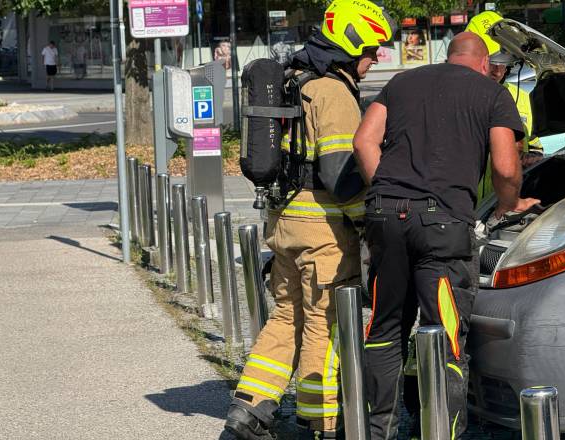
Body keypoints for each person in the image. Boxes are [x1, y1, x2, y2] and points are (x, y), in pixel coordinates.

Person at [353, 32, 540, 439]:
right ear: (483, 63)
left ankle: (374, 430)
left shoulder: (402, 81)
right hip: (443, 227)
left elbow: (364, 139)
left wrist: (384, 189)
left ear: (450, 55)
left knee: (385, 328)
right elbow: (507, 166)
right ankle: (442, 432)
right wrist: (511, 205)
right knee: (445, 334)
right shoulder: (491, 94)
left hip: (385, 216)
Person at [223, 1, 395, 439]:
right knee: (325, 323)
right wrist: (370, 224)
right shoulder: (333, 91)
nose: (375, 59)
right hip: (324, 233)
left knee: (285, 317)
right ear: (350, 44)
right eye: (372, 50)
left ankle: (249, 409)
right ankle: (320, 422)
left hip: (284, 224)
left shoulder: (292, 80)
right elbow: (342, 176)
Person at [466, 11, 544, 202]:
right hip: (462, 206)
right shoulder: (458, 96)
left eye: (504, 62)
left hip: (500, 205)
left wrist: (533, 154)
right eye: (492, 62)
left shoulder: (522, 98)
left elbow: (533, 143)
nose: (498, 70)